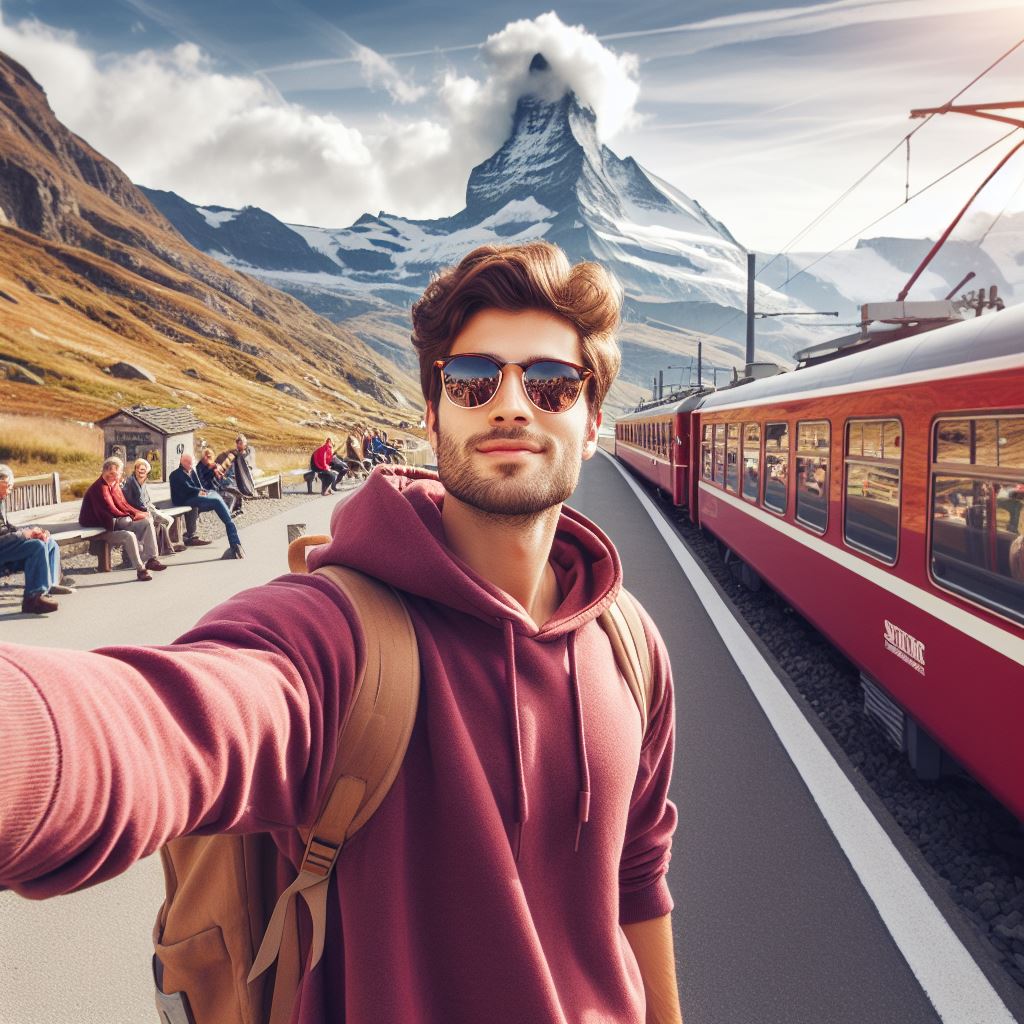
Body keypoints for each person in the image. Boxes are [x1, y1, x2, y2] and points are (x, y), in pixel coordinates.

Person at [0, 242, 680, 1024]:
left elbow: (638, 872)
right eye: (473, 380)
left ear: (594, 422)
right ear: (433, 415)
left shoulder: (632, 645)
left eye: (554, 384)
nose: (513, 405)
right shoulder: (336, 638)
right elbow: (161, 726)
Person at [0, 463, 75, 614]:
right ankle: (32, 599)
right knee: (36, 547)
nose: (9, 490)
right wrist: (24, 535)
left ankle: (48, 586)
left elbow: (6, 527)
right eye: (7, 486)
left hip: (5, 547)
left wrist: (33, 531)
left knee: (48, 542)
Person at [79, 457, 166, 582]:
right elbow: (111, 509)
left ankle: (152, 559)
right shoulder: (100, 488)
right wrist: (133, 516)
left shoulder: (113, 485)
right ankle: (141, 569)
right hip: (100, 528)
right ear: (104, 472)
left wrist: (139, 514)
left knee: (147, 522)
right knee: (128, 535)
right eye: (112, 473)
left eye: (117, 473)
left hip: (113, 522)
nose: (115, 476)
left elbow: (123, 505)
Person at [169, 452, 245, 560]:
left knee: (215, 495)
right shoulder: (175, 475)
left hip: (193, 497)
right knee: (215, 500)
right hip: (183, 500)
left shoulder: (191, 471)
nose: (192, 465)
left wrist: (204, 491)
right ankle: (231, 531)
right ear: (183, 462)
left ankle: (230, 524)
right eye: (190, 463)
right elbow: (188, 489)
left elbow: (198, 486)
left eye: (192, 463)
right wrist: (202, 492)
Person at [122, 458, 182, 556]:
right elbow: (137, 502)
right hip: (136, 512)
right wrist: (149, 511)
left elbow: (147, 501)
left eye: (144, 470)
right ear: (135, 469)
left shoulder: (142, 482)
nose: (141, 472)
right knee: (165, 521)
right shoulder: (131, 482)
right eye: (139, 469)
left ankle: (163, 547)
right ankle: (159, 548)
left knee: (164, 521)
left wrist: (153, 509)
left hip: (146, 509)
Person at [198, 448, 242, 515]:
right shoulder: (207, 467)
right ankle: (227, 515)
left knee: (232, 492)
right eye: (210, 457)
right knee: (231, 497)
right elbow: (209, 473)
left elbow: (217, 476)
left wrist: (219, 474)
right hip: (209, 492)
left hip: (209, 490)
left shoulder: (201, 466)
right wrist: (215, 469)